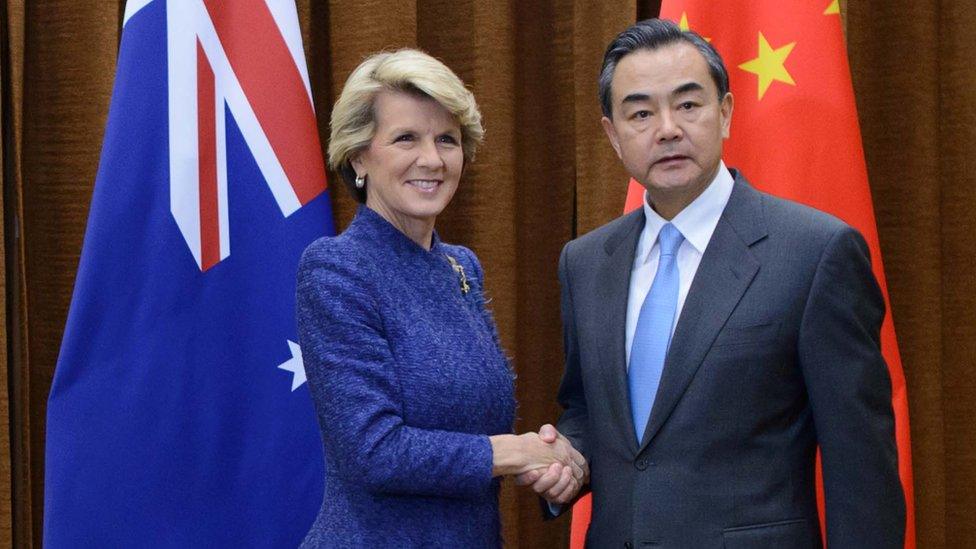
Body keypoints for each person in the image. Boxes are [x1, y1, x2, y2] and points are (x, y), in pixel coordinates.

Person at [519, 19, 905, 547]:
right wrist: (569, 460)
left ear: (725, 113)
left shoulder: (815, 252)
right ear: (612, 135)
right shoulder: (585, 263)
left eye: (688, 104)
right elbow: (591, 410)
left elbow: (861, 464)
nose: (668, 128)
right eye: (640, 112)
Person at [295, 49, 585, 548]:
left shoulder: (461, 265)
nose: (431, 159)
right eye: (406, 138)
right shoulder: (336, 268)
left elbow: (475, 426)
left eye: (446, 139)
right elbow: (375, 452)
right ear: (359, 155)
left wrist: (552, 464)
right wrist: (514, 453)